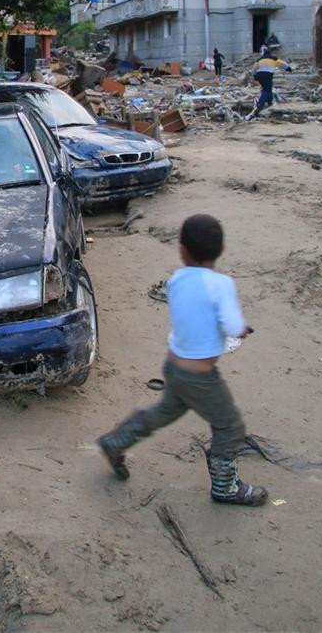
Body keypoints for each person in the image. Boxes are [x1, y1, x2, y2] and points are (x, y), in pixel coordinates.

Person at [97, 214, 267, 506]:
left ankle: (117, 441)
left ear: (182, 249)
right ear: (221, 249)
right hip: (201, 377)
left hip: (175, 367)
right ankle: (225, 487)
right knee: (229, 426)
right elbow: (230, 325)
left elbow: (195, 314)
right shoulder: (222, 284)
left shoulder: (176, 280)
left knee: (162, 413)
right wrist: (241, 329)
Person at [250, 49, 292, 114]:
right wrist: (289, 69)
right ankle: (260, 103)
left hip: (259, 75)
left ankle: (269, 102)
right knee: (266, 90)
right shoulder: (274, 59)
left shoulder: (259, 60)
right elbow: (283, 65)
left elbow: (253, 70)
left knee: (268, 89)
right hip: (267, 74)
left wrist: (255, 77)